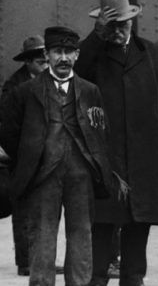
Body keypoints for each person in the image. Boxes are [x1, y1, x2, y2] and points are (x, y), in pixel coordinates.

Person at [75, 0, 158, 286]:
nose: (118, 30)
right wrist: (96, 35)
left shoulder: (154, 55)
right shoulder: (93, 55)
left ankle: (133, 279)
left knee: (138, 223)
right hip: (106, 156)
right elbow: (76, 74)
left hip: (144, 155)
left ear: (132, 21)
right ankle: (97, 279)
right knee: (102, 224)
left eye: (122, 24)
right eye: (111, 25)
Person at [0, 26, 116, 286]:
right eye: (57, 52)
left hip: (81, 174)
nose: (63, 58)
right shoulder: (26, 92)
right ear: (48, 55)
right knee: (42, 235)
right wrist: (28, 162)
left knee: (81, 233)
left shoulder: (90, 91)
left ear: (76, 56)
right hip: (42, 176)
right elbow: (8, 133)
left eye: (69, 52)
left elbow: (100, 131)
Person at [1, 34, 49, 277]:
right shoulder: (15, 87)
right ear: (28, 62)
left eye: (45, 59)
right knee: (22, 212)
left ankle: (40, 258)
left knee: (42, 211)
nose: (44, 63)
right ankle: (25, 261)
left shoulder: (47, 82)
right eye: (39, 60)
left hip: (43, 155)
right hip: (22, 158)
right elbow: (8, 127)